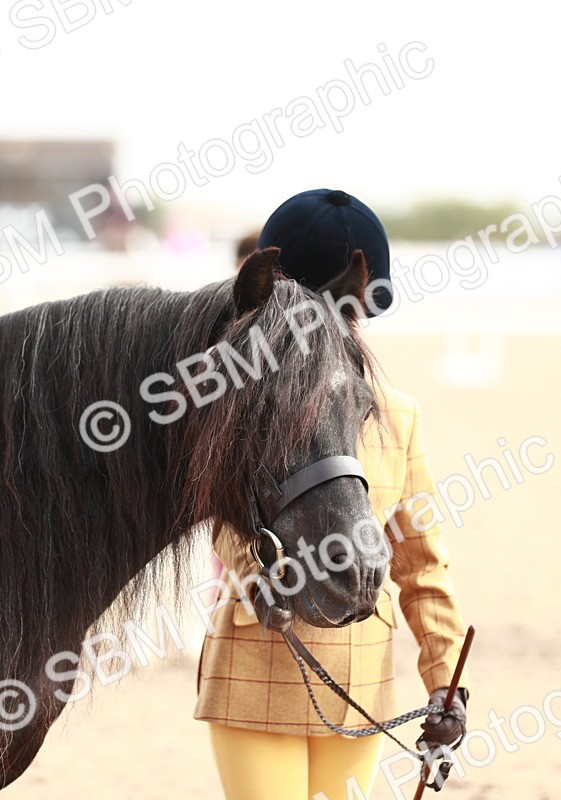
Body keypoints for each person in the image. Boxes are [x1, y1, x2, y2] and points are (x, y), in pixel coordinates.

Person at [194, 189, 472, 800]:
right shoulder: (243, 400)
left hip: (359, 676)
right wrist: (256, 575)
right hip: (258, 667)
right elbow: (225, 516)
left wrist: (445, 681)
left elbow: (421, 560)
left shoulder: (397, 417)